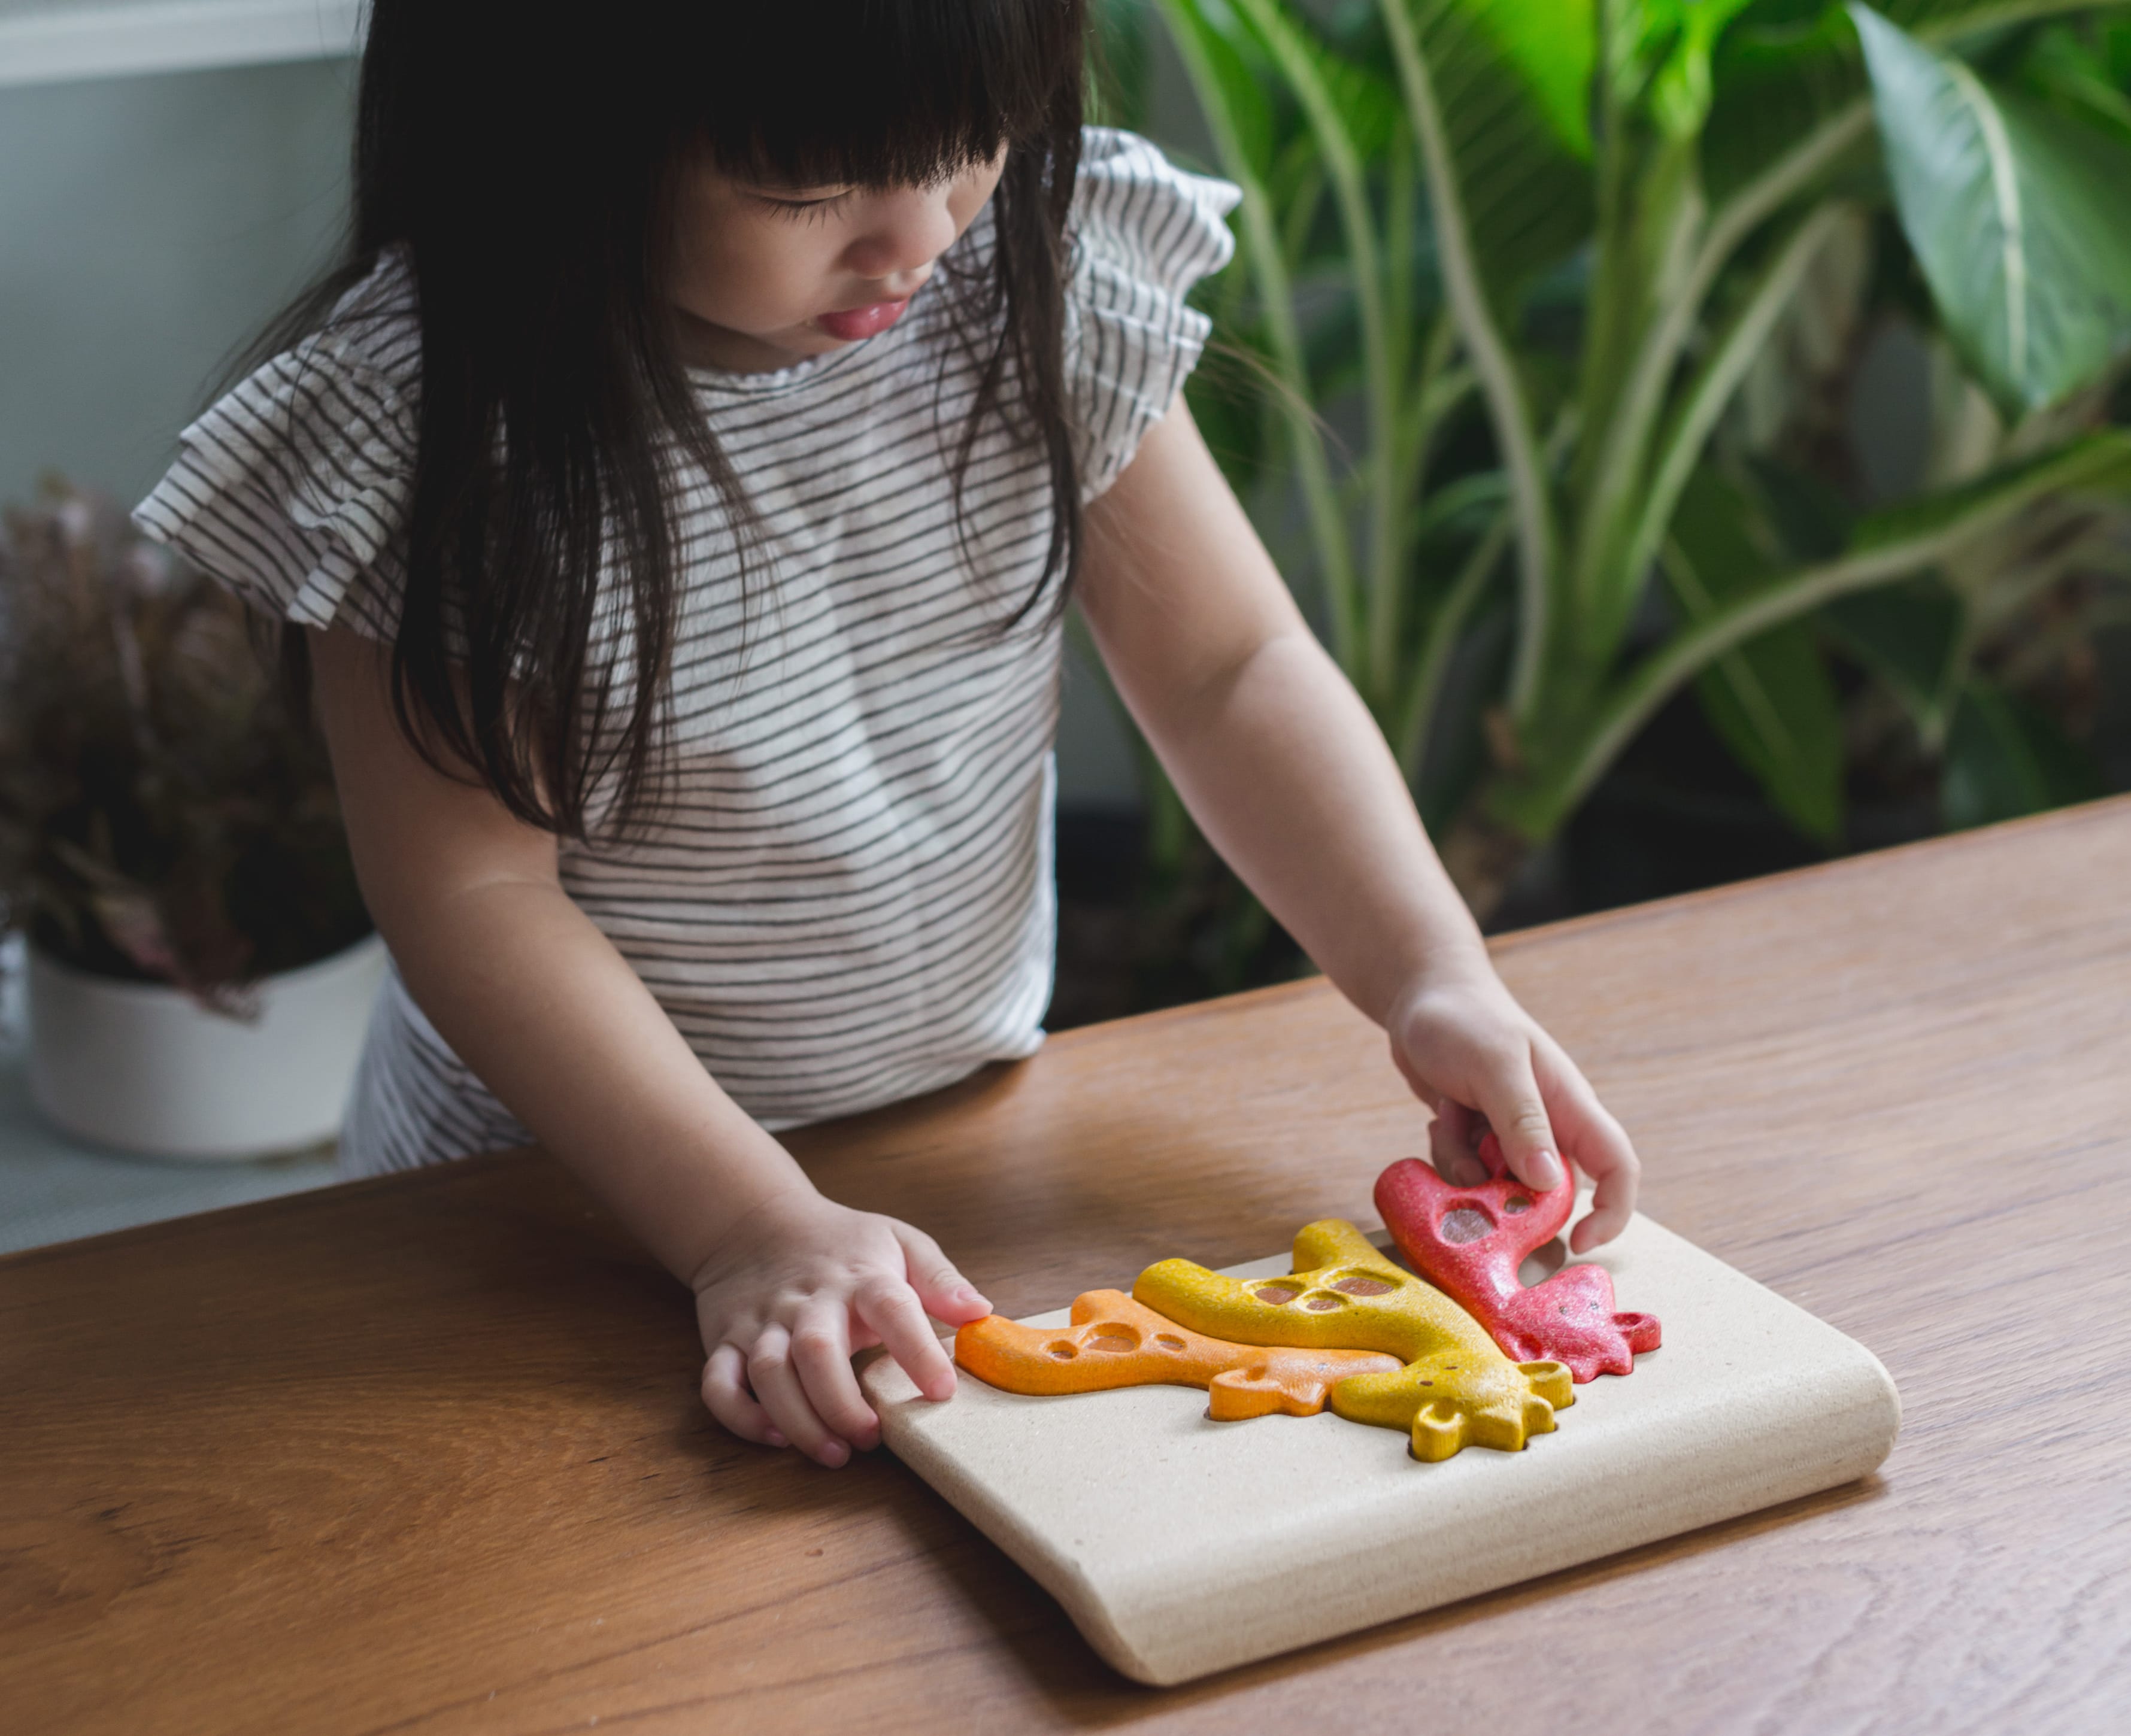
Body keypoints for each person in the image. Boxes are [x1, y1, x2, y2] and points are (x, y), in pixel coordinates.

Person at [135, 1, 1638, 1468]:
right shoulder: (433, 431)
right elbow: (473, 897)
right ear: (554, 133)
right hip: (557, 1212)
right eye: (807, 187)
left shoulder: (1026, 267)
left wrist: (1427, 971)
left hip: (953, 1150)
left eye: (969, 139)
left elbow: (1228, 668)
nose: (914, 231)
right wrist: (746, 1224)